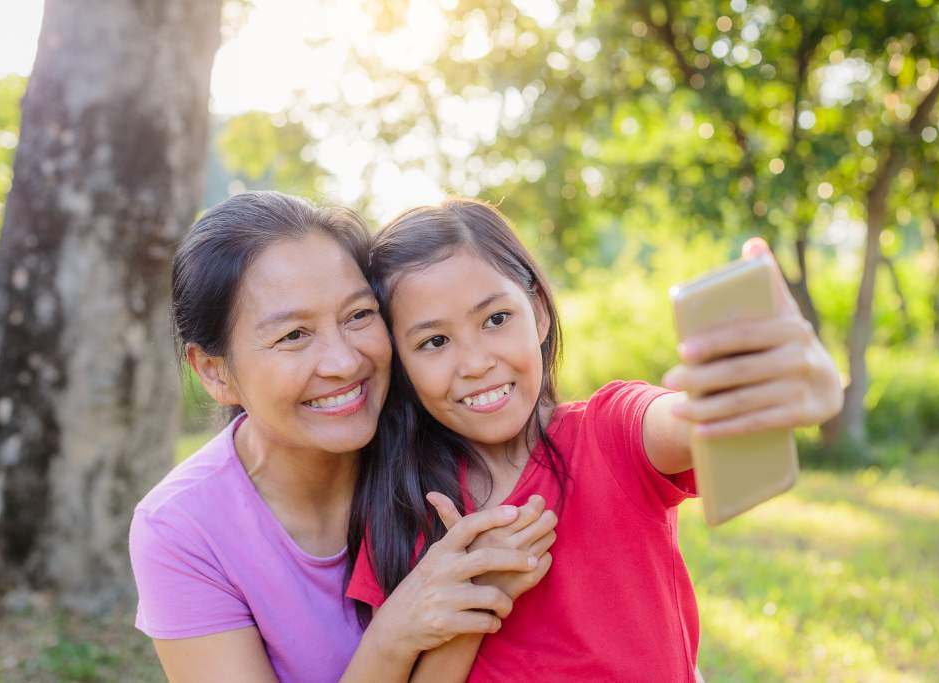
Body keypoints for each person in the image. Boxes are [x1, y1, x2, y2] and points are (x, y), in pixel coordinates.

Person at [348, 198, 844, 681]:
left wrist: (762, 390)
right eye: (434, 342)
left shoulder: (606, 434)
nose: (475, 362)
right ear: (401, 364)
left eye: (496, 319)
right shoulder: (401, 508)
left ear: (539, 313)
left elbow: (676, 419)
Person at [128, 191, 557, 683]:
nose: (344, 362)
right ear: (215, 371)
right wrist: (395, 632)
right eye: (294, 335)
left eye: (358, 316)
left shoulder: (451, 435)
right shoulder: (184, 529)